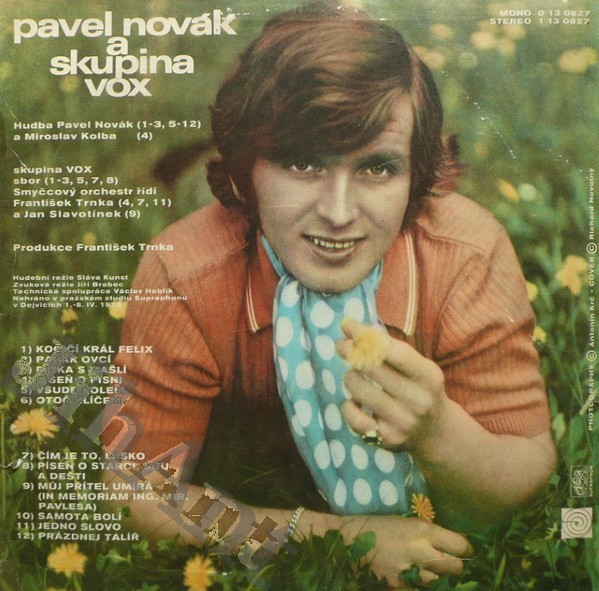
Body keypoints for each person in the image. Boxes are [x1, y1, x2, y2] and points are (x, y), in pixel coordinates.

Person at [102, 2, 557, 587]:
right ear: (244, 171)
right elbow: (134, 493)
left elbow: (526, 472)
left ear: (417, 174)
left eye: (378, 168)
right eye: (302, 163)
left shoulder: (467, 253)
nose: (339, 214)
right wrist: (337, 537)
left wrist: (439, 432)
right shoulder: (184, 272)